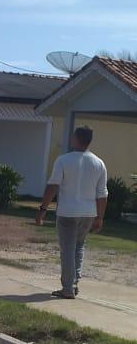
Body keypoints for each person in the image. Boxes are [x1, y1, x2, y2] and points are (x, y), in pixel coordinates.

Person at [35, 125, 108, 299]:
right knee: (79, 246)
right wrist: (100, 217)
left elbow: (52, 186)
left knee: (67, 249)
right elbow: (102, 194)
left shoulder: (63, 160)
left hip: (67, 212)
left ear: (75, 139)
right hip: (88, 213)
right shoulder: (99, 163)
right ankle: (74, 283)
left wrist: (43, 209)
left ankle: (67, 287)